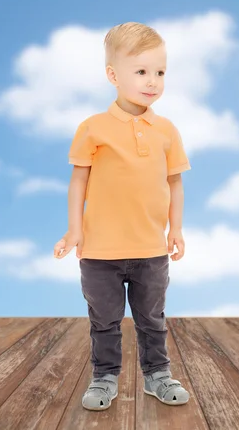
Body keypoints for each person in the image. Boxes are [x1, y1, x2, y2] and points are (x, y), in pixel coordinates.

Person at [54, 21, 191, 411]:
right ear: (113, 75)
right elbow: (78, 182)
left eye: (160, 72)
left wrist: (176, 228)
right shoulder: (93, 128)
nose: (153, 82)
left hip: (150, 250)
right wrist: (73, 231)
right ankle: (104, 378)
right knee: (105, 321)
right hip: (100, 252)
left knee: (152, 319)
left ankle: (157, 375)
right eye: (142, 71)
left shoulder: (166, 130)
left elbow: (175, 184)